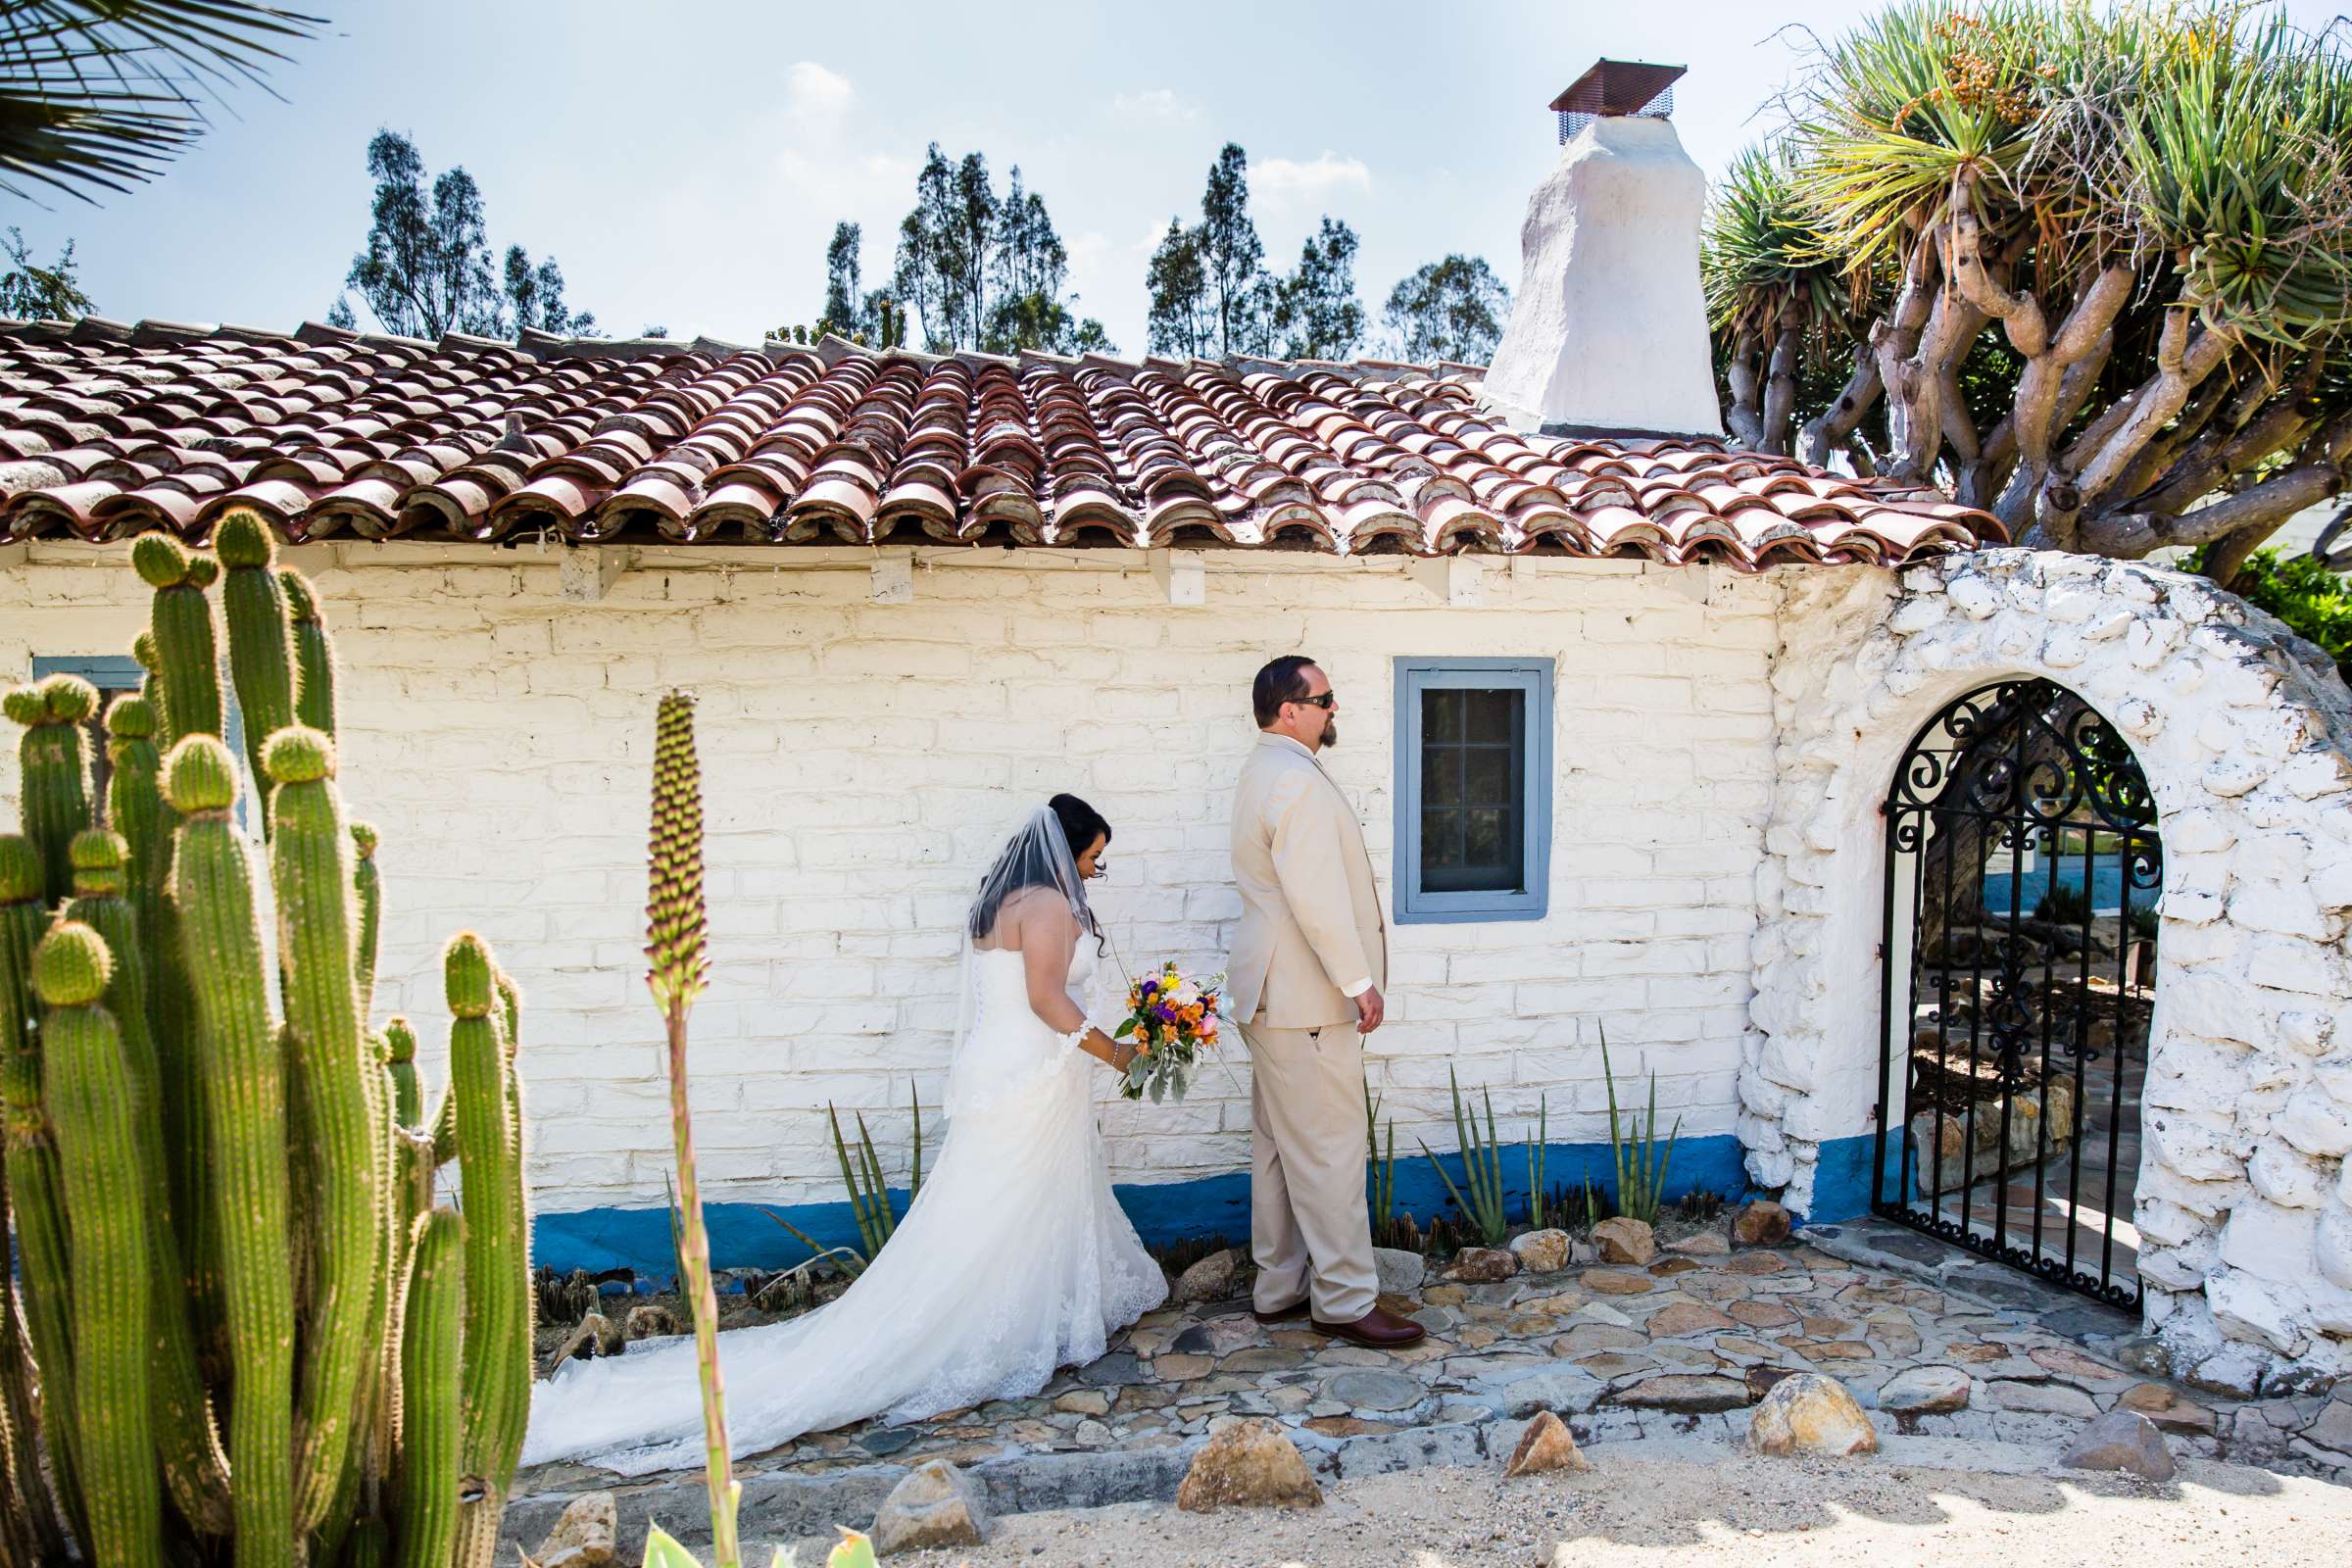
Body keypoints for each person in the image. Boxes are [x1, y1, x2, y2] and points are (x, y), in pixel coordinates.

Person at [521, 795, 1166, 1474]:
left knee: (993, 1202)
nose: (1096, 871)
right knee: (1011, 1202)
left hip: (999, 1066)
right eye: (1094, 857)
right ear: (1066, 850)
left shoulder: (998, 902)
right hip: (1031, 1072)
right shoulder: (1050, 907)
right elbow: (1047, 1000)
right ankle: (989, 1327)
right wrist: (1118, 1053)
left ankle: (1041, 1306)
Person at [1227, 656, 1424, 1348]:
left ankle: (1279, 1286)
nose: (1333, 709)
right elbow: (1315, 896)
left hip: (1268, 995)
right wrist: (1357, 981)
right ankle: (1342, 1299)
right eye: (1325, 699)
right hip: (1307, 997)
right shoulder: (1295, 782)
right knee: (1332, 1149)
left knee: (1282, 1147)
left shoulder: (1260, 772)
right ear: (1290, 710)